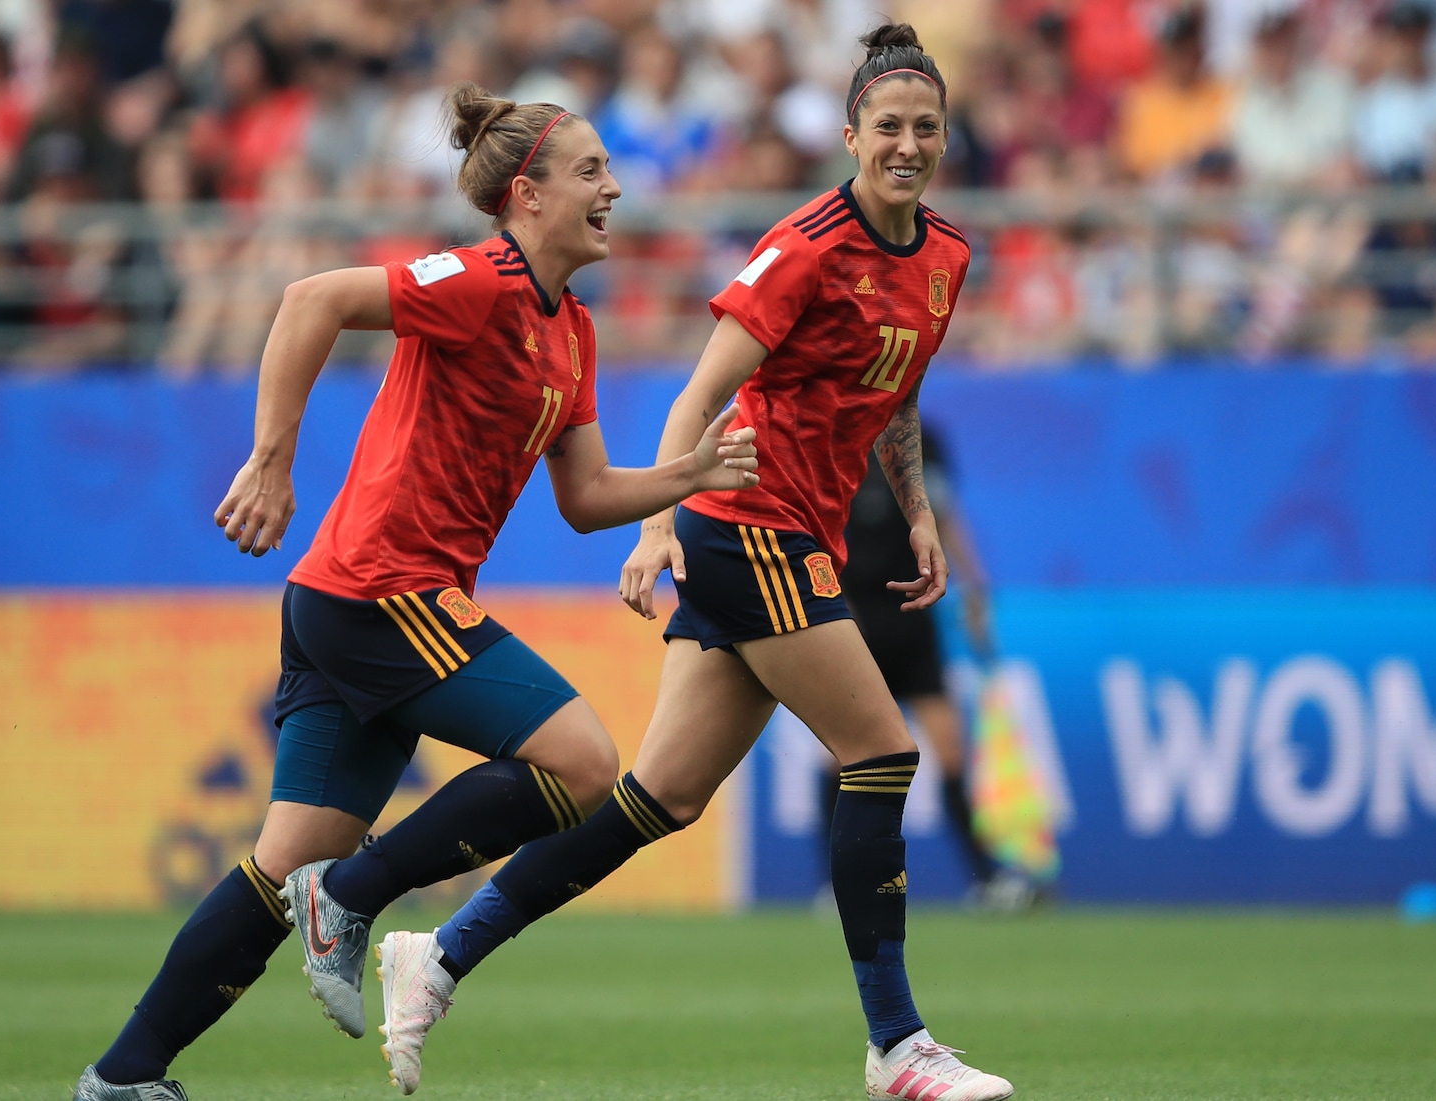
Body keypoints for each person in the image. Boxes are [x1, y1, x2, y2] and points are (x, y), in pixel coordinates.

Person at [73, 83, 760, 1101]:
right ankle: (349, 901)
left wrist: (688, 476)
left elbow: (583, 498)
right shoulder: (476, 279)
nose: (614, 188)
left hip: (352, 605)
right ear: (526, 194)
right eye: (591, 171)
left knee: (281, 864)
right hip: (378, 591)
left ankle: (124, 1075)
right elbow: (314, 298)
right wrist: (271, 460)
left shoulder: (569, 331)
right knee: (581, 763)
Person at [372, 24, 1013, 1101]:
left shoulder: (944, 255)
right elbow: (695, 394)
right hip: (745, 518)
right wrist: (657, 526)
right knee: (881, 751)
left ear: (943, 139)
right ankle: (897, 1045)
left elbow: (892, 394)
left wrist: (913, 511)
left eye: (925, 129)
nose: (906, 145)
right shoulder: (805, 245)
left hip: (799, 527)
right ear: (850, 134)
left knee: (656, 798)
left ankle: (436, 954)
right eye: (887, 127)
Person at [826, 432, 1031, 912]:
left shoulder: (924, 441)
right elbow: (817, 525)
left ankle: (988, 881)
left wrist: (975, 587)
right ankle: (831, 885)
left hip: (915, 620)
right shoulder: (840, 431)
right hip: (854, 621)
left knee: (952, 753)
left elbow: (945, 515)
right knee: (839, 760)